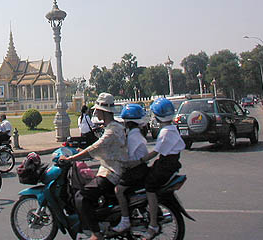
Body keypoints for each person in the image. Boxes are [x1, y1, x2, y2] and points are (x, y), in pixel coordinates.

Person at [60, 92, 128, 240]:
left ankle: (96, 233)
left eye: (97, 109)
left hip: (112, 172)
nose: (95, 112)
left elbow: (95, 148)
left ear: (103, 111)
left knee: (81, 196)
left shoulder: (111, 131)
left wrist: (71, 158)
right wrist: (80, 151)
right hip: (109, 167)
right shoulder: (114, 126)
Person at [133, 97, 185, 240]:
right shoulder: (173, 129)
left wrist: (139, 160)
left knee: (149, 187)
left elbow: (155, 152)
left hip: (164, 167)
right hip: (171, 164)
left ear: (156, 116)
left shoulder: (165, 132)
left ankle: (153, 223)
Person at [110, 104, 149, 234]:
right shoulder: (136, 133)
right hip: (141, 167)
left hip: (136, 170)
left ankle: (125, 220)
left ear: (128, 122)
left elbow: (129, 158)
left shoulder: (133, 137)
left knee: (118, 190)